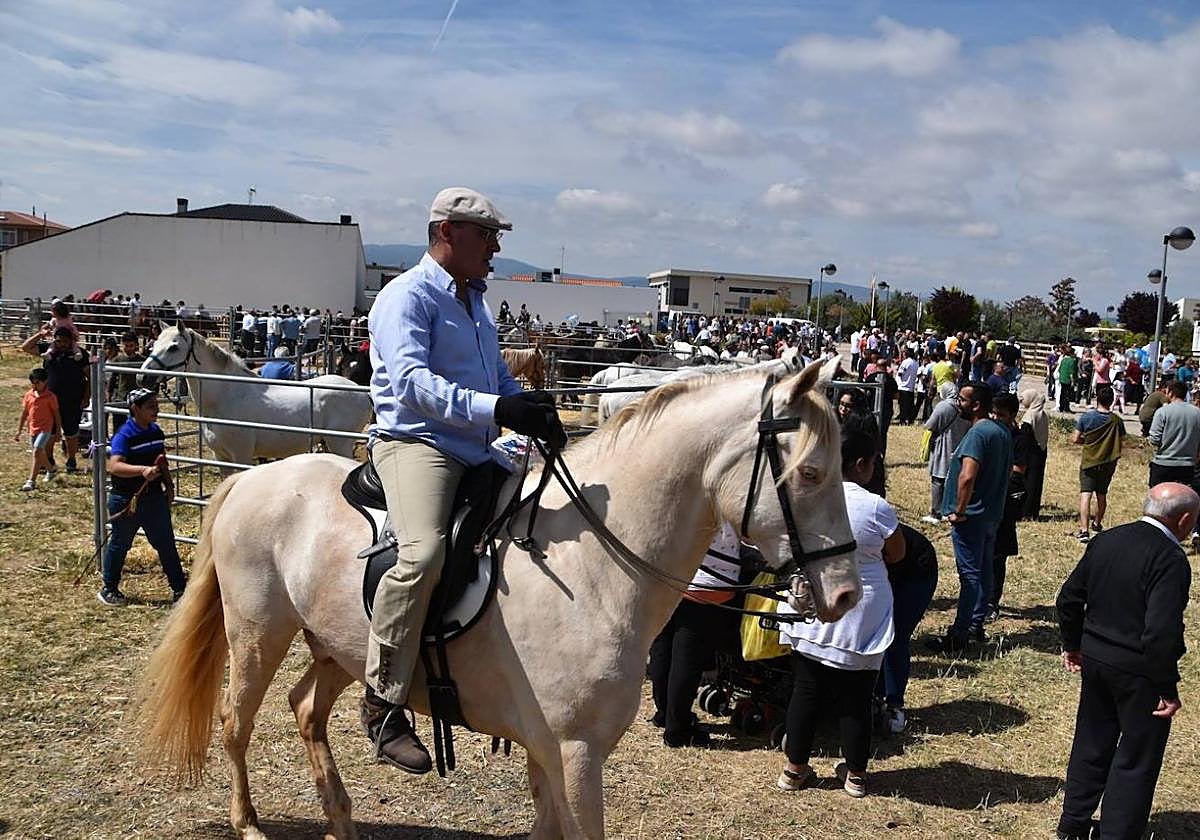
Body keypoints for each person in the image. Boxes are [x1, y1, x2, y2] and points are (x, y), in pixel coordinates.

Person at [362, 187, 566, 774]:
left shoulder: (475, 300)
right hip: (418, 445)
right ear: (448, 232)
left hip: (476, 445)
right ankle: (382, 700)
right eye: (487, 235)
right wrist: (499, 410)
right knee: (422, 554)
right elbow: (411, 384)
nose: (495, 247)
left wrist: (529, 406)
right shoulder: (407, 297)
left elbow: (496, 375)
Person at [1055, 482, 1199, 840]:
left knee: (1091, 740)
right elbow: (1160, 632)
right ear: (1184, 519)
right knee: (1136, 758)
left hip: (1096, 658)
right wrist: (1167, 687)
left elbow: (1068, 598)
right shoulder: (1169, 559)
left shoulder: (1107, 539)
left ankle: (1073, 822)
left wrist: (1073, 643)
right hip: (1139, 671)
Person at [776, 430, 902, 798]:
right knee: (857, 697)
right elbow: (897, 553)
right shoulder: (876, 507)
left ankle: (794, 770)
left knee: (805, 690)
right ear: (861, 464)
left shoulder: (808, 496)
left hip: (815, 601)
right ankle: (856, 775)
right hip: (860, 607)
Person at [928, 382, 1013, 654]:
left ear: (976, 405)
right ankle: (976, 623)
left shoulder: (978, 433)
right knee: (985, 570)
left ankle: (960, 633)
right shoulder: (1002, 430)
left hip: (971, 517)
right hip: (991, 515)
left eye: (962, 400)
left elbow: (967, 476)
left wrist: (959, 510)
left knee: (969, 575)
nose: (958, 404)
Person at [648, 523, 742, 748]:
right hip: (706, 582)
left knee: (664, 645)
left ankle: (664, 713)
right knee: (688, 658)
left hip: (671, 573)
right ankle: (677, 730)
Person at [98, 388, 187, 606]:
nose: (156, 410)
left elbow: (161, 459)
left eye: (156, 405)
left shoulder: (155, 431)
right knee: (120, 544)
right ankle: (109, 588)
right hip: (127, 499)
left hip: (154, 497)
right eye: (150, 407)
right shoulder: (124, 435)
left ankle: (180, 589)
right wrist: (142, 471)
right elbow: (114, 466)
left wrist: (168, 484)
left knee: (166, 543)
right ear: (135, 409)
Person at [19, 325, 89, 474]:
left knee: (71, 431)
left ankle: (71, 459)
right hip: (49, 400)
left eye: (65, 341)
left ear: (71, 340)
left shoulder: (79, 354)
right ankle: (49, 459)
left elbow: (89, 377)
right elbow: (25, 347)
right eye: (58, 341)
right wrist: (40, 334)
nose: (62, 344)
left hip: (72, 399)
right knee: (48, 432)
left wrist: (86, 396)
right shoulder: (48, 350)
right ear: (54, 340)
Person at [986, 392, 1026, 622]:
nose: (995, 417)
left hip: (1005, 502)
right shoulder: (986, 433)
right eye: (993, 413)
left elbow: (1019, 469)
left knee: (997, 555)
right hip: (985, 502)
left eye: (1000, 414)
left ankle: (992, 600)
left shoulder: (1018, 438)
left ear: (1012, 415)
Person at [1072, 385, 1125, 543]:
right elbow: (1121, 440)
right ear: (1112, 400)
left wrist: (1087, 442)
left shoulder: (1086, 418)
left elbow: (1075, 438)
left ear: (1097, 399)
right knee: (1102, 494)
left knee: (1086, 494)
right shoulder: (1117, 421)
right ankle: (1097, 523)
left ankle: (1084, 530)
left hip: (1089, 461)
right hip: (1108, 462)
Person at [921, 382, 969, 524]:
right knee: (953, 480)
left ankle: (936, 512)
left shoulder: (944, 406)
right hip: (959, 444)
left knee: (938, 479)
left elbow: (930, 425)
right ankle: (949, 509)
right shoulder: (963, 407)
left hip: (943, 445)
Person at [14, 368, 62, 491]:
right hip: (32, 428)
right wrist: (19, 430)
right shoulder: (29, 395)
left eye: (37, 383)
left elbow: (56, 415)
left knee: (37, 450)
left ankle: (31, 481)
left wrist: (58, 431)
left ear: (45, 382)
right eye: (33, 383)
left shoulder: (50, 397)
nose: (35, 385)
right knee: (39, 453)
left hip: (45, 429)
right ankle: (51, 470)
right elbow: (25, 413)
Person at [1147, 380, 1200, 488]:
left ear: (1171, 393)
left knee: (1159, 496)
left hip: (1163, 463)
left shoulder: (1162, 412)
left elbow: (1154, 439)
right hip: (1188, 466)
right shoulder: (1197, 412)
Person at [107, 330, 145, 438]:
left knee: (137, 422)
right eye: (126, 346)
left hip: (137, 396)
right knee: (118, 423)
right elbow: (112, 378)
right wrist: (109, 393)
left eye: (131, 346)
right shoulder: (118, 360)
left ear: (136, 345)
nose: (128, 349)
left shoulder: (142, 361)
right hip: (121, 396)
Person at [1019, 390, 1049, 520]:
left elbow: (1025, 437)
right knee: (1037, 482)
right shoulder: (1043, 414)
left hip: (1029, 454)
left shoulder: (1029, 416)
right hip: (1040, 452)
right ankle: (1033, 512)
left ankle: (1025, 512)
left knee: (1028, 482)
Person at [1057, 346, 1078, 412]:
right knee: (1067, 394)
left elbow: (1060, 369)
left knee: (1062, 393)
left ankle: (1061, 407)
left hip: (1062, 378)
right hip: (1067, 380)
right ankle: (1066, 408)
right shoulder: (1072, 361)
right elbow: (1071, 372)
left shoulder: (1063, 360)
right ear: (1071, 353)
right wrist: (1073, 381)